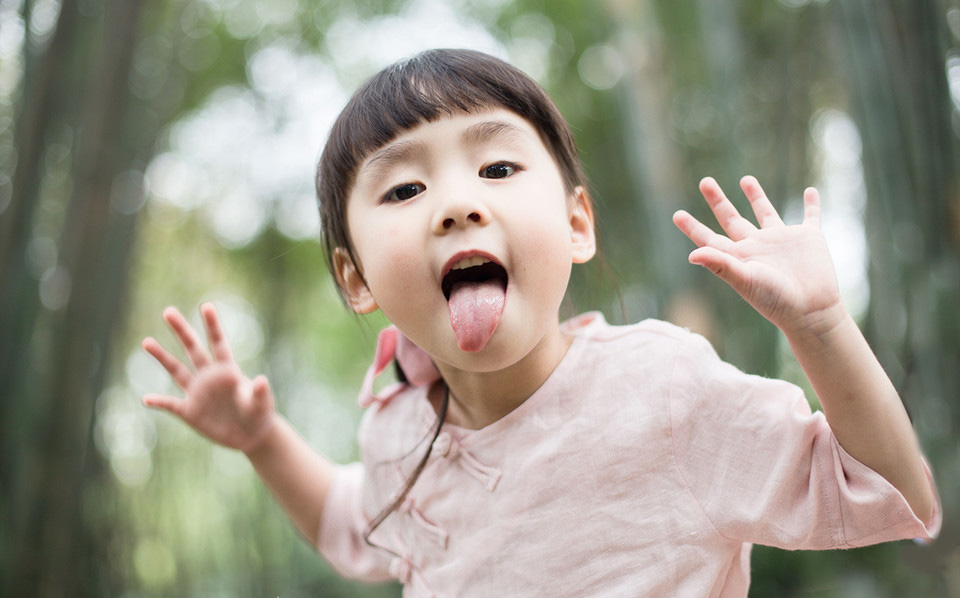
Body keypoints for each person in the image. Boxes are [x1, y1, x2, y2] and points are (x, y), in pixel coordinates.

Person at [141, 48, 940, 596]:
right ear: (355, 280)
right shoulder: (398, 432)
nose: (457, 204)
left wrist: (824, 327)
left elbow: (884, 495)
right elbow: (353, 526)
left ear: (576, 225)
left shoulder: (660, 391)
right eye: (404, 191)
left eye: (495, 168)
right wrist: (261, 440)